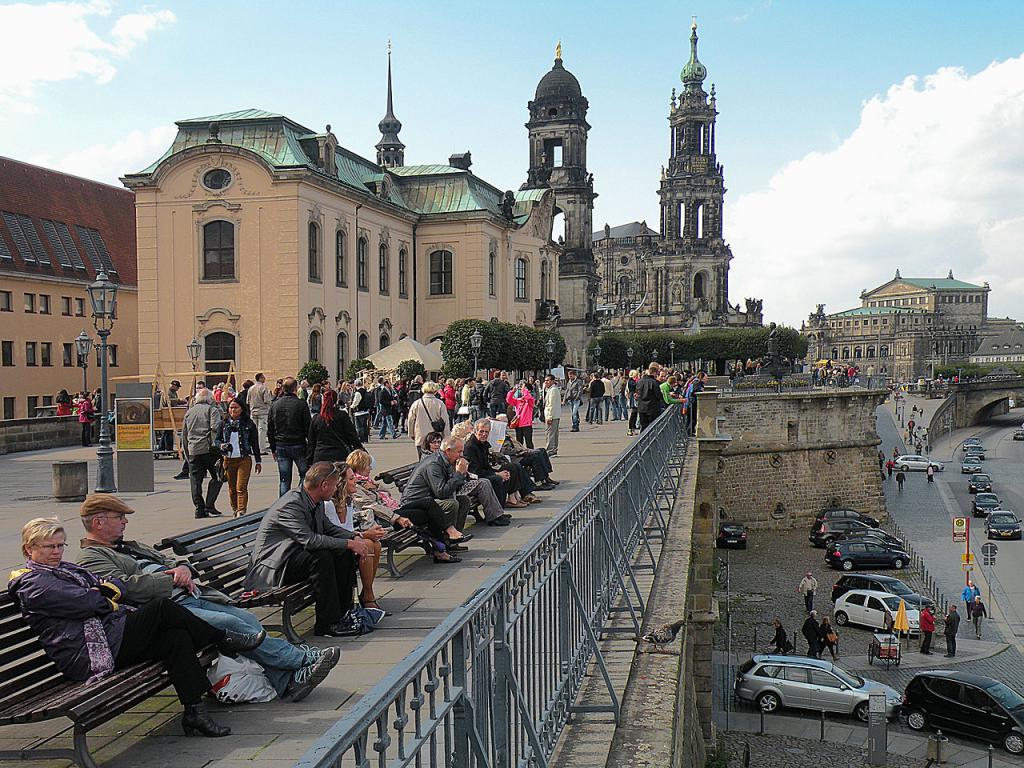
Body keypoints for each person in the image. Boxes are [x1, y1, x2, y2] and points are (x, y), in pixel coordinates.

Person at [10, 518, 263, 737]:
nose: (57, 552)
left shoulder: (65, 570)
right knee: (161, 608)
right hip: (87, 653)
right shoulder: (34, 583)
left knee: (176, 637)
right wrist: (104, 596)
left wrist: (104, 593)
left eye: (60, 545)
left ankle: (194, 712)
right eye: (49, 547)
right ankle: (222, 640)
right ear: (29, 548)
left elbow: (110, 584)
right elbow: (91, 602)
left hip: (109, 636)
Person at [74, 495, 339, 702]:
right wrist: (171, 578)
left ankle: (289, 683)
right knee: (230, 624)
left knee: (245, 618)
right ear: (98, 522)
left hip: (190, 596)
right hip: (169, 610)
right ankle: (300, 661)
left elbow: (171, 561)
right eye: (119, 517)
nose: (125, 522)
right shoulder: (91, 558)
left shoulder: (128, 545)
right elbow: (127, 588)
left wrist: (183, 569)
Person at [245, 462, 376, 637]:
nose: (336, 489)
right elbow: (309, 540)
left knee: (342, 553)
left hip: (292, 557)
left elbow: (328, 527)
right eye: (335, 485)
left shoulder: (316, 500)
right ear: (323, 485)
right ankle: (327, 624)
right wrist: (348, 543)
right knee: (321, 558)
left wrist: (353, 537)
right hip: (274, 567)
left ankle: (344, 613)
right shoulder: (291, 505)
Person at [395, 436, 473, 559]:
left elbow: (452, 489)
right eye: (459, 452)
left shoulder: (447, 461)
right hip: (416, 503)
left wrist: (462, 474)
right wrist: (458, 474)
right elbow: (441, 492)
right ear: (448, 450)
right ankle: (447, 541)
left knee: (463, 500)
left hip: (430, 500)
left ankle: (455, 539)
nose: (461, 455)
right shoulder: (434, 464)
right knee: (452, 504)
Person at [324, 464, 387, 611]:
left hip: (348, 543)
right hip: (336, 548)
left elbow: (349, 531)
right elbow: (337, 533)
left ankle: (367, 591)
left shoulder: (348, 501)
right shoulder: (329, 505)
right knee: (369, 544)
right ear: (341, 482)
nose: (356, 482)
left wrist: (367, 534)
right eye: (352, 478)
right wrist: (365, 534)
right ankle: (368, 595)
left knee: (375, 544)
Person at [181, 387, 224, 519]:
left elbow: (184, 434)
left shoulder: (189, 412)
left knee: (195, 481)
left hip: (194, 450)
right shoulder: (212, 410)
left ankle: (199, 508)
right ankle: (209, 504)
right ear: (210, 399)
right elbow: (215, 427)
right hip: (209, 450)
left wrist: (187, 453)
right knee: (219, 476)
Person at [268, 377, 312, 497]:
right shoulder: (301, 404)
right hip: (298, 443)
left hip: (281, 444)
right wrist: (310, 445)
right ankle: (301, 498)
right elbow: (308, 426)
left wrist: (273, 448)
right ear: (295, 388)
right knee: (304, 474)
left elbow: (270, 428)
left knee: (284, 479)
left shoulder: (275, 405)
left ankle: (283, 504)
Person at [218, 399, 262, 517]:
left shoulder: (248, 423)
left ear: (241, 409)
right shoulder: (223, 423)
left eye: (236, 407)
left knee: (241, 487)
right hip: (229, 459)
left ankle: (241, 511)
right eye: (231, 408)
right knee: (232, 488)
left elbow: (254, 443)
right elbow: (217, 439)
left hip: (244, 459)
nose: (233, 410)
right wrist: (221, 445)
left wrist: (258, 460)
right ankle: (235, 508)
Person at [307, 388, 364, 465]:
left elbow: (311, 441)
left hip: (320, 455)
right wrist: (359, 448)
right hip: (339, 454)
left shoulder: (316, 418)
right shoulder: (342, 416)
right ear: (336, 400)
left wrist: (309, 459)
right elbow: (351, 435)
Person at [407, 381, 450, 455]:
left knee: (422, 460)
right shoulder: (440, 403)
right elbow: (445, 421)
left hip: (421, 436)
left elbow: (411, 420)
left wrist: (411, 433)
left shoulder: (416, 403)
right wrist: (446, 437)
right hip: (436, 438)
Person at [507, 380, 536, 449]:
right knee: (519, 442)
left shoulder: (530, 401)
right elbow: (509, 399)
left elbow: (528, 398)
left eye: (524, 388)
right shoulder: (518, 401)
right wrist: (512, 391)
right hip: (518, 424)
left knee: (528, 442)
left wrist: (525, 390)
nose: (521, 390)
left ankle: (531, 455)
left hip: (527, 424)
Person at [248, 373, 273, 452]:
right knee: (262, 430)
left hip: (253, 411)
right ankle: (261, 448)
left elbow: (248, 401)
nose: (265, 378)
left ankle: (254, 448)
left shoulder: (251, 388)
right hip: (263, 411)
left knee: (253, 431)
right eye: (263, 377)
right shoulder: (263, 388)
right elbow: (267, 400)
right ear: (260, 378)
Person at [635, 364, 664, 431]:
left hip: (641, 407)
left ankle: (642, 440)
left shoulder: (639, 382)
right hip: (652, 407)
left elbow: (637, 393)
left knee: (643, 426)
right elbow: (658, 395)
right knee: (653, 427)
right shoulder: (654, 382)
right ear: (654, 373)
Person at [542, 374, 561, 456]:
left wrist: (549, 417)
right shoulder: (550, 389)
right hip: (555, 415)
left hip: (552, 415)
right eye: (545, 380)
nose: (546, 382)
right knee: (553, 433)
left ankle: (550, 449)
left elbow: (551, 404)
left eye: (548, 380)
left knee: (550, 433)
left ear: (552, 381)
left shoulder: (553, 390)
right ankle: (554, 448)